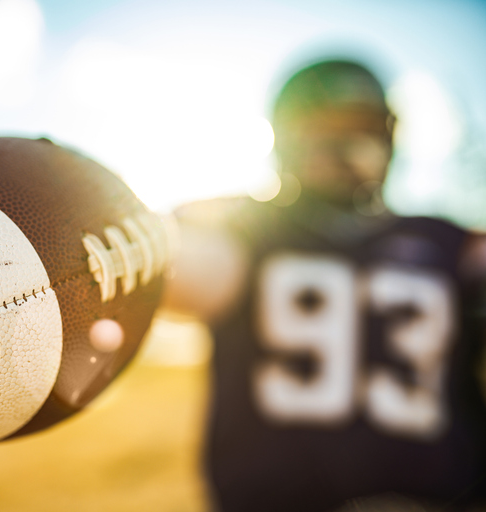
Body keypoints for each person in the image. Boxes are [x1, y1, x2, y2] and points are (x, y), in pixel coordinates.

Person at [163, 59, 486, 511]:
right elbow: (181, 262)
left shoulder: (447, 242)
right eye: (329, 127)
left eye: (361, 125)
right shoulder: (248, 229)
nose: (348, 144)